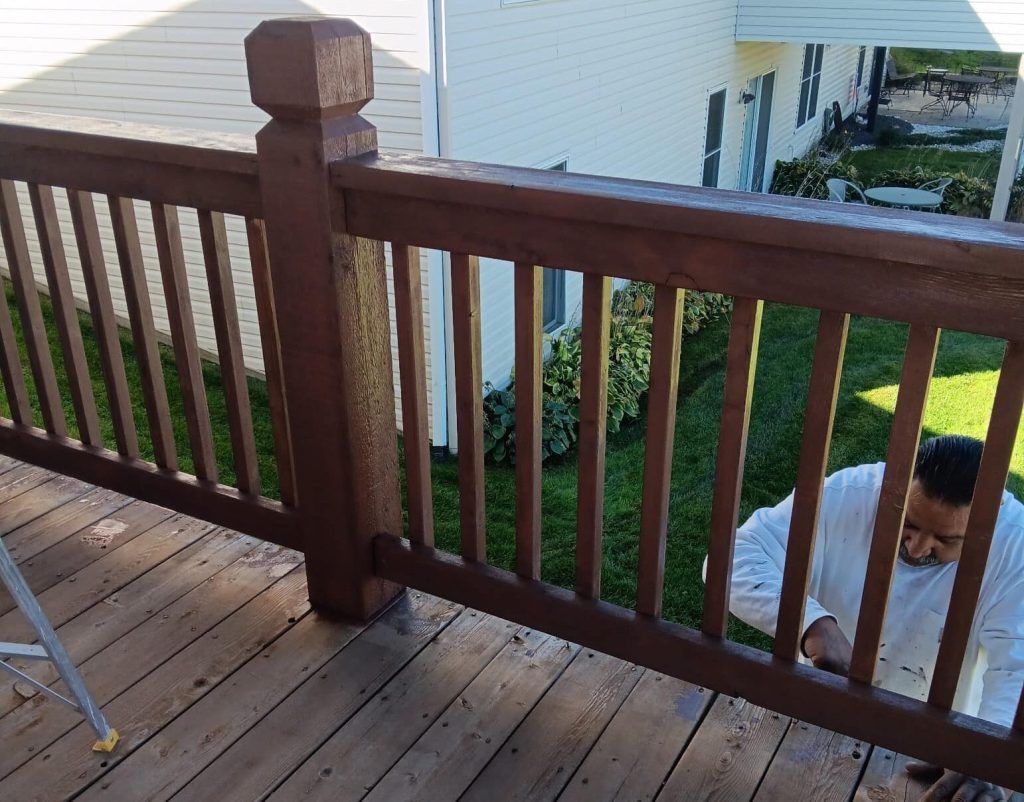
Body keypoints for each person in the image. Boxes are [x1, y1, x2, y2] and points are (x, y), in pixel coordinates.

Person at [719, 435, 1024, 801]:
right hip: (818, 713)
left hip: (933, 751)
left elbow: (1014, 666)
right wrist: (811, 622)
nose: (917, 547)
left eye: (945, 539)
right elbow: (733, 557)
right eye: (908, 522)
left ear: (986, 526)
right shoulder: (851, 492)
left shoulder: (1014, 545)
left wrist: (985, 754)